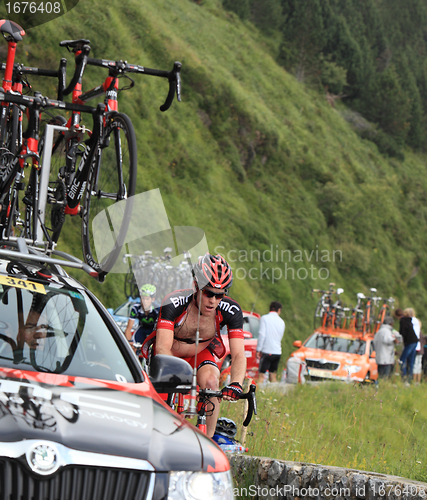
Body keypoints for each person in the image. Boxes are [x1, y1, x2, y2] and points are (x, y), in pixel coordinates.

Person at [142, 253, 247, 437]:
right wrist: (175, 377)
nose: (213, 301)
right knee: (164, 397)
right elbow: (162, 348)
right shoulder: (174, 303)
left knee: (211, 384)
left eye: (219, 295)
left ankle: (208, 442)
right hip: (171, 355)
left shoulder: (231, 310)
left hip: (200, 353)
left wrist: (236, 384)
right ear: (196, 285)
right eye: (208, 293)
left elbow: (238, 354)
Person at [256, 301, 285, 383]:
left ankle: (258, 393)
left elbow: (262, 334)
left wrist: (258, 349)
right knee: (273, 376)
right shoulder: (282, 322)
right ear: (279, 310)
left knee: (261, 376)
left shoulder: (264, 318)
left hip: (267, 351)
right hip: (277, 352)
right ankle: (274, 393)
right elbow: (280, 336)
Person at [396, 308, 418, 382]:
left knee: (402, 359)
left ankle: (404, 377)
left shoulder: (403, 321)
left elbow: (402, 332)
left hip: (410, 342)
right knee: (410, 360)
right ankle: (410, 378)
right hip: (415, 341)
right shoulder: (409, 320)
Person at [413, 319, 424, 384]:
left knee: (415, 365)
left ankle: (414, 380)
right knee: (419, 365)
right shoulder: (421, 332)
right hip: (421, 351)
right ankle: (418, 380)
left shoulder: (417, 332)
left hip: (417, 350)